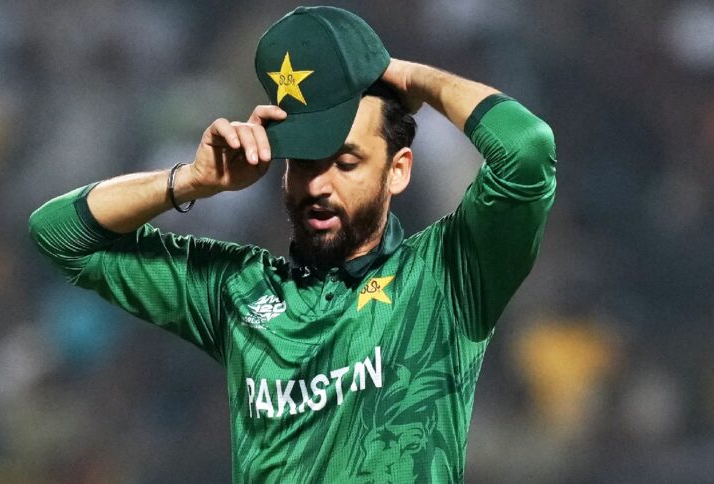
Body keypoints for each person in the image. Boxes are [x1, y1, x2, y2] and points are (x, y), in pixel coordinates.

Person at [29, 6, 556, 483]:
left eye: (346, 162)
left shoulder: (444, 276)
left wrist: (406, 75)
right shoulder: (237, 290)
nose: (319, 184)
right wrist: (189, 181)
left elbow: (527, 152)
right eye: (304, 163)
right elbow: (60, 234)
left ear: (397, 171)